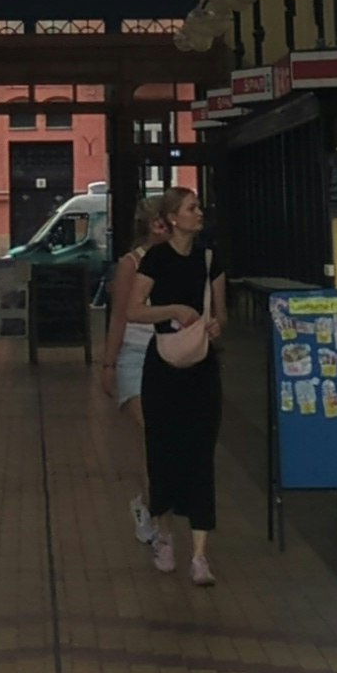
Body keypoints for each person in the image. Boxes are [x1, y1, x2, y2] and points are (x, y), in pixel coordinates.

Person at [135, 183, 226, 585]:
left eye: (199, 207)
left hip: (202, 368)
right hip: (164, 368)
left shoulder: (210, 259)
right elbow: (131, 309)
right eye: (191, 208)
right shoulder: (155, 259)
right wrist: (172, 309)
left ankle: (201, 555)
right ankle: (165, 535)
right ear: (173, 218)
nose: (199, 213)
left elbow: (222, 312)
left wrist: (216, 324)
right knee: (163, 450)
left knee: (201, 452)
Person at [100, 193, 178, 545]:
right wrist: (109, 362)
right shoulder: (131, 263)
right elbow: (118, 316)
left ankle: (147, 506)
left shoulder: (183, 259)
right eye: (160, 220)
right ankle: (163, 530)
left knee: (166, 442)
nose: (166, 226)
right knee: (157, 434)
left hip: (172, 354)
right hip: (135, 353)